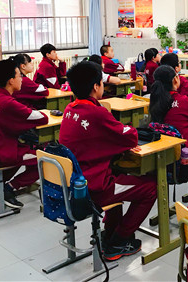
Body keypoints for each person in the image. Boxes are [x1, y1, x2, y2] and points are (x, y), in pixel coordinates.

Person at [59, 61, 156, 261]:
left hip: (74, 186)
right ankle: (119, 240)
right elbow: (130, 137)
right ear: (96, 86)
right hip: (95, 189)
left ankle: (109, 232)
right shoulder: (97, 113)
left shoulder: (70, 109)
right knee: (151, 188)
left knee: (119, 174)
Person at [0, 59, 49, 209]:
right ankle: (8, 188)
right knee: (44, 160)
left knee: (25, 151)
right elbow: (43, 118)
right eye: (19, 76)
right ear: (11, 80)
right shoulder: (7, 102)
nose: (21, 79)